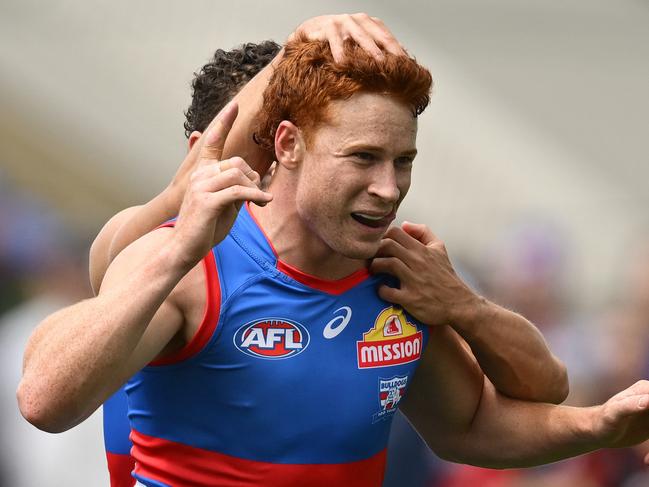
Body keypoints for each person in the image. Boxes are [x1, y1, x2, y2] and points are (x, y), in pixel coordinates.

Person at [18, 13, 649, 487]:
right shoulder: (180, 255)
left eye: (403, 161)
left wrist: (599, 425)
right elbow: (44, 401)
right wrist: (298, 46)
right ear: (286, 146)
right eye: (364, 159)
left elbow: (473, 424)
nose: (389, 187)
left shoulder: (397, 277)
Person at [98, 39, 281, 487]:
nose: (279, 167)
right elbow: (112, 257)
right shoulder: (153, 239)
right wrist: (301, 44)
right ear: (198, 151)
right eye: (261, 146)